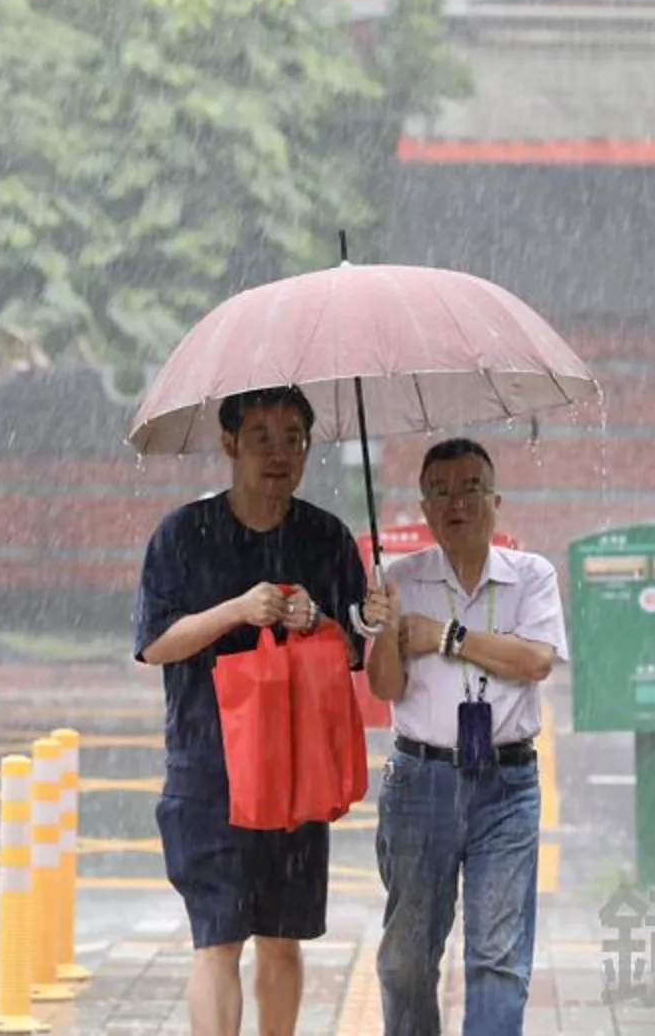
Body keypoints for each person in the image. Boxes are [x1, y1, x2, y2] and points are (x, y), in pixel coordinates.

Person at [134, 385, 385, 1036]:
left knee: (282, 936)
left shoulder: (326, 537)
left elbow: (356, 651)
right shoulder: (184, 533)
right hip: (208, 771)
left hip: (295, 768)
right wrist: (237, 611)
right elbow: (156, 643)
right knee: (217, 938)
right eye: (261, 438)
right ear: (228, 445)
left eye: (294, 438)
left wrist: (319, 619)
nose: (280, 453)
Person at [363, 437, 569, 1036]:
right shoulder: (400, 579)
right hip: (419, 781)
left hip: (506, 784)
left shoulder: (531, 577)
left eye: (470, 488)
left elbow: (534, 661)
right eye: (441, 492)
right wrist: (385, 628)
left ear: (496, 500)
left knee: (497, 960)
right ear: (424, 508)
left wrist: (446, 636)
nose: (457, 502)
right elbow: (385, 688)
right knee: (405, 961)